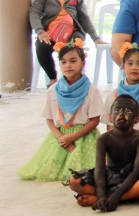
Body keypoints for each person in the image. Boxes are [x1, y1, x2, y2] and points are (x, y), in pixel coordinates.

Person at [18, 39, 103, 181]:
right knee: (48, 168)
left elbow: (95, 120)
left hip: (84, 136)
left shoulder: (91, 90)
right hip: (59, 136)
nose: (68, 65)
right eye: (63, 62)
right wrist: (62, 138)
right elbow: (50, 119)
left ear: (83, 63)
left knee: (86, 172)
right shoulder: (52, 90)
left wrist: (73, 137)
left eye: (73, 61)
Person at [68, 95, 139, 210]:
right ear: (110, 117)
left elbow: (137, 170)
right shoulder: (103, 139)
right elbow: (100, 169)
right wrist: (101, 195)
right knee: (74, 181)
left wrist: (116, 197)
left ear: (136, 119)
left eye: (127, 111)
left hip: (133, 177)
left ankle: (107, 198)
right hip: (111, 176)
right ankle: (118, 197)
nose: (121, 114)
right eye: (117, 110)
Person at [29, 0, 106, 87]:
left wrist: (95, 38)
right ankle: (53, 79)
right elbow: (34, 12)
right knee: (41, 46)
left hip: (73, 32)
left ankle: (73, 79)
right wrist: (40, 31)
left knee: (75, 46)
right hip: (50, 32)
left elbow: (83, 17)